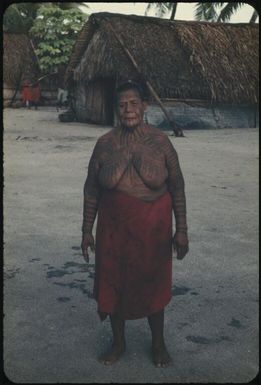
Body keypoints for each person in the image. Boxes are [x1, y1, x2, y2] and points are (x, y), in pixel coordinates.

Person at [81, 80, 189, 367]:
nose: (127, 109)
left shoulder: (161, 142)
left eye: (133, 103)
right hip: (113, 228)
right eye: (121, 104)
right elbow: (92, 189)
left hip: (152, 228)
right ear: (116, 109)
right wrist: (85, 231)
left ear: (144, 106)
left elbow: (177, 186)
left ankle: (158, 344)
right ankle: (118, 343)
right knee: (113, 284)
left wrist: (182, 231)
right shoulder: (104, 144)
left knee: (153, 284)